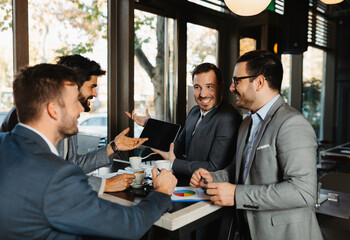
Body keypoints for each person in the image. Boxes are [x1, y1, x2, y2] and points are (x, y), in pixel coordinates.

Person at [0, 63, 177, 239]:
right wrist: (160, 192)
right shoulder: (57, 177)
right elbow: (129, 226)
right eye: (74, 101)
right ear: (53, 110)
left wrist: (113, 147)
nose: (82, 108)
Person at [190, 50, 323, 240]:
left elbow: (303, 192)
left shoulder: (292, 124)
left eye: (237, 81)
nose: (231, 87)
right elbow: (239, 169)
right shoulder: (246, 123)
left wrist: (237, 195)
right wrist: (212, 177)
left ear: (259, 82)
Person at [0, 54, 140, 193]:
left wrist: (113, 147)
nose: (95, 94)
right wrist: (104, 184)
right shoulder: (30, 115)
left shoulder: (67, 118)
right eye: (92, 87)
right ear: (73, 85)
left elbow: (73, 165)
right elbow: (41, 174)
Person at [127, 63, 242, 185]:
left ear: (221, 86)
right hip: (186, 184)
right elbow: (176, 146)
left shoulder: (228, 117)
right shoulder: (194, 112)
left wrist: (174, 162)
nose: (203, 94)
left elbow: (214, 167)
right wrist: (149, 125)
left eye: (209, 87)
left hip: (209, 189)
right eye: (197, 87)